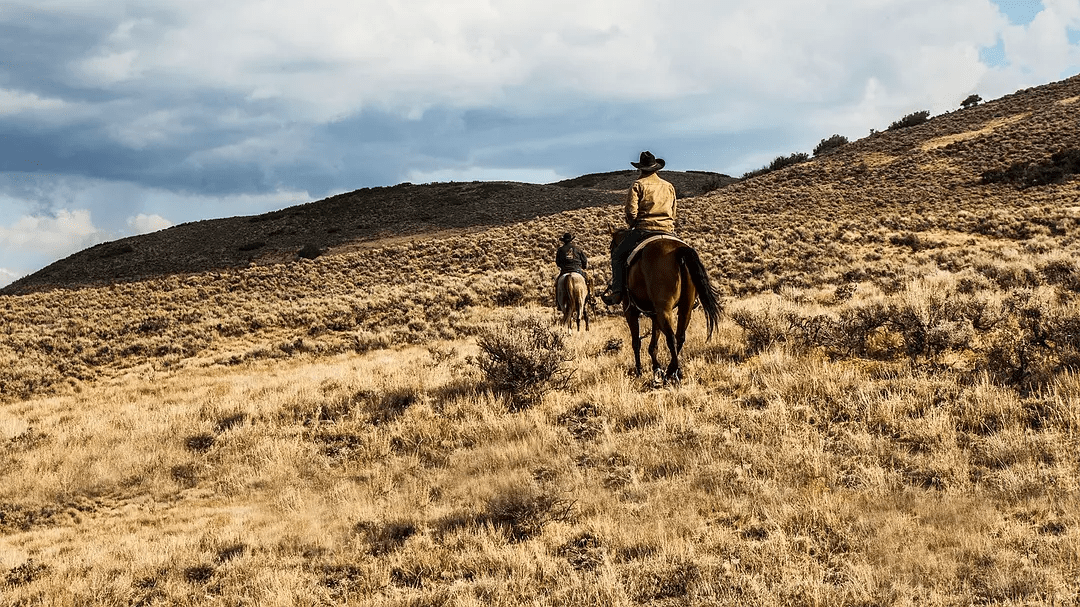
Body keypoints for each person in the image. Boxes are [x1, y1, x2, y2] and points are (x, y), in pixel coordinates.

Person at [600, 151, 677, 305]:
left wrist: (632, 223)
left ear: (641, 169)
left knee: (618, 255)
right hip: (668, 230)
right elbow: (673, 211)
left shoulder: (638, 185)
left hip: (644, 229)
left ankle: (617, 292)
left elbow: (631, 212)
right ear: (656, 168)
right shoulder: (668, 186)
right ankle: (694, 296)